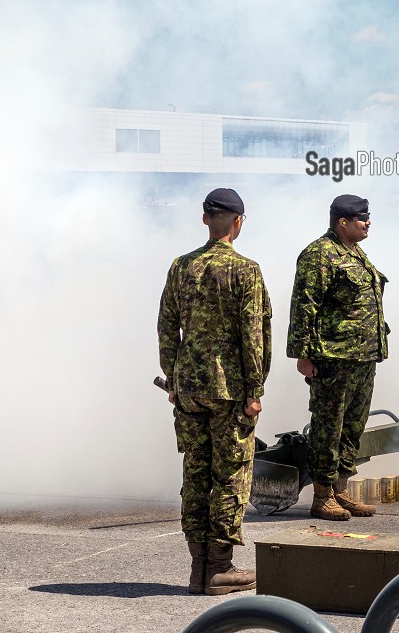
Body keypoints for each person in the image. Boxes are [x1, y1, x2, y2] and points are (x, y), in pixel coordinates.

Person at [157, 187, 271, 596]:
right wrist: (254, 389)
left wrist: (172, 379)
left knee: (196, 473)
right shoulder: (246, 270)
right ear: (238, 222)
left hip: (188, 389)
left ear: (206, 219)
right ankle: (219, 569)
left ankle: (197, 570)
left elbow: (167, 328)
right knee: (231, 475)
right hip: (229, 390)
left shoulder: (180, 267)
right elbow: (252, 336)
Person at [287, 193, 388, 521]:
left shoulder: (357, 253)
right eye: (361, 217)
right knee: (328, 429)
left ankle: (341, 491)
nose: (367, 222)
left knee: (351, 429)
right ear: (342, 222)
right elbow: (304, 305)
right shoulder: (320, 254)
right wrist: (302, 355)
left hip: (362, 358)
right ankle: (322, 496)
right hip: (333, 359)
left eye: (367, 216)